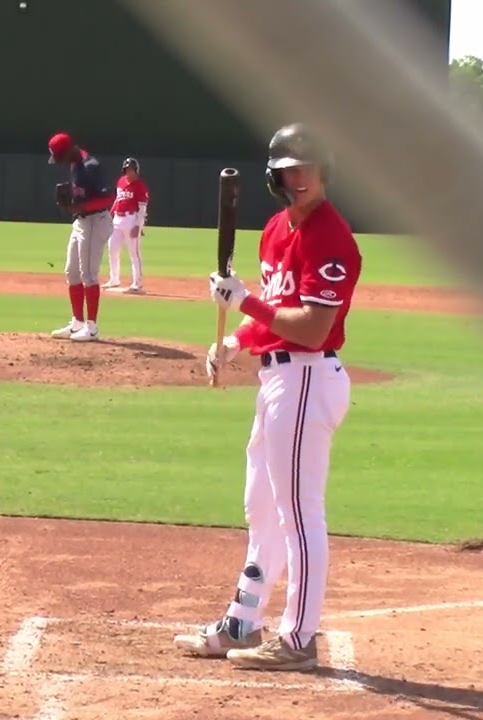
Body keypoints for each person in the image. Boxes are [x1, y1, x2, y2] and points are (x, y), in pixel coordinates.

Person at [175, 122, 362, 671]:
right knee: (261, 506)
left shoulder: (331, 235)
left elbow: (311, 328)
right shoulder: (276, 230)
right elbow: (277, 319)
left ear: (324, 172)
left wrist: (246, 305)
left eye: (306, 168)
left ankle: (300, 638)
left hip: (307, 378)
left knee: (300, 513)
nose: (297, 178)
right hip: (278, 381)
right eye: (287, 170)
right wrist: (235, 340)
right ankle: (244, 622)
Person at [46, 131, 115, 342]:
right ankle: (77, 323)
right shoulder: (74, 163)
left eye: (60, 157)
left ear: (69, 151)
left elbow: (108, 198)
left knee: (88, 275)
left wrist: (80, 205)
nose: (59, 163)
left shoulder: (90, 166)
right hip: (81, 221)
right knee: (72, 272)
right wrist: (72, 204)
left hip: (96, 221)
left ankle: (92, 327)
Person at [102, 157, 149, 293]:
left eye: (131, 170)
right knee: (112, 248)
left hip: (131, 219)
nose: (129, 172)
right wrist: (110, 215)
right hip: (117, 219)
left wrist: (138, 226)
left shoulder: (140, 186)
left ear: (136, 171)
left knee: (134, 252)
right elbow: (118, 199)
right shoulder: (121, 181)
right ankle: (114, 279)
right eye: (127, 170)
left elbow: (142, 209)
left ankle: (137, 283)